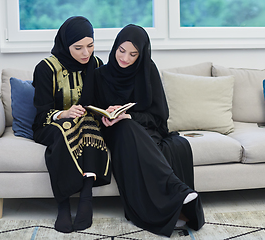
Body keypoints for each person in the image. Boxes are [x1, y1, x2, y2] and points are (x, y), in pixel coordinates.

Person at [87, 24, 205, 237]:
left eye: (133, 54)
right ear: (114, 47)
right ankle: (176, 189)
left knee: (129, 125)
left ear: (141, 54)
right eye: (121, 51)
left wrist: (129, 115)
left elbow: (159, 116)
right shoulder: (98, 75)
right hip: (113, 134)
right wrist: (105, 114)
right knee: (124, 126)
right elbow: (90, 110)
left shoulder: (147, 70)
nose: (125, 58)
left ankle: (171, 203)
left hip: (147, 130)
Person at [32, 16, 111, 233]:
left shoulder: (96, 65)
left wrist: (108, 110)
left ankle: (86, 198)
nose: (86, 53)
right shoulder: (46, 68)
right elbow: (41, 113)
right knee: (66, 129)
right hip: (51, 125)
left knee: (87, 124)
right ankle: (63, 205)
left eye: (90, 46)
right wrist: (64, 113)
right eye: (78, 48)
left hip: (86, 126)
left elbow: (101, 100)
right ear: (66, 45)